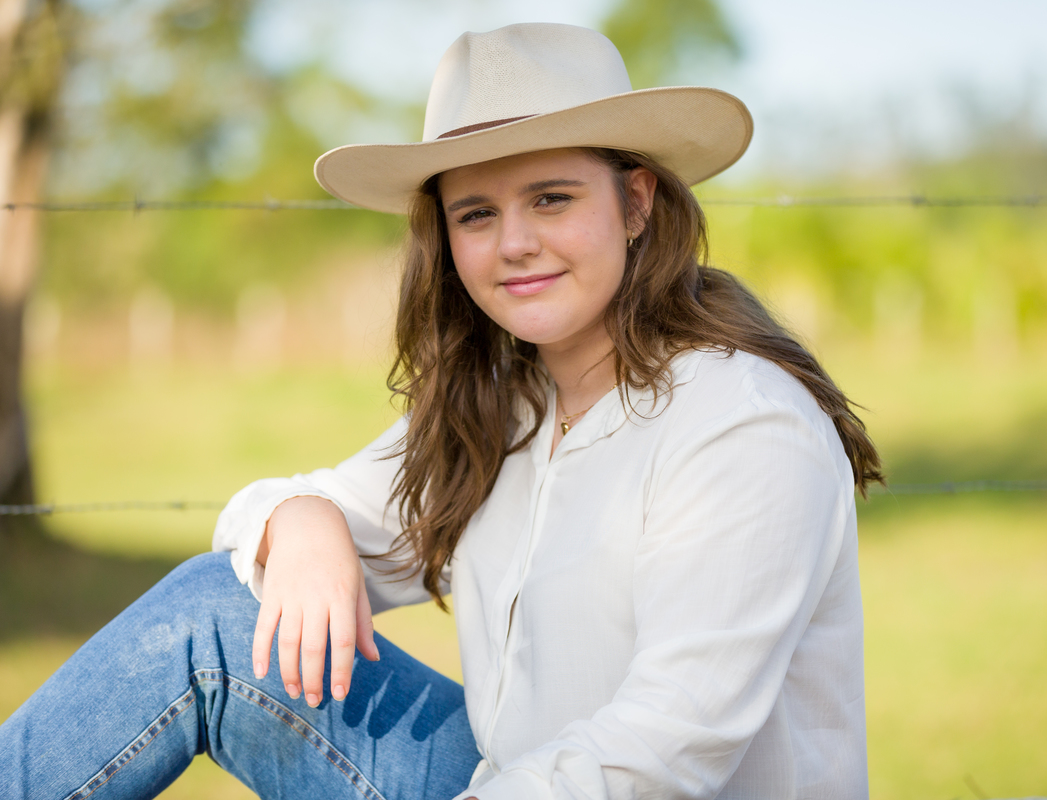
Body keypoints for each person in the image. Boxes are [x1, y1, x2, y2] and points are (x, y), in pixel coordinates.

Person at [0, 22, 882, 800]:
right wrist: (302, 521)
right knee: (213, 611)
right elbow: (259, 522)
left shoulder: (742, 423)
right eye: (476, 214)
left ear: (637, 202)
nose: (515, 243)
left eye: (552, 198)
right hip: (507, 778)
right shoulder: (508, 406)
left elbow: (668, 747)